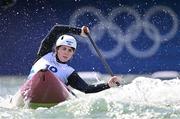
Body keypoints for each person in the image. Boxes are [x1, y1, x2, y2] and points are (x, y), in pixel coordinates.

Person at [11, 24, 121, 107]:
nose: (66, 52)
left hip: (54, 98)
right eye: (63, 48)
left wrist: (108, 85)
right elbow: (56, 29)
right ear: (57, 49)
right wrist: (79, 31)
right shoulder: (44, 54)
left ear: (73, 54)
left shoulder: (69, 72)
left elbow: (87, 89)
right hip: (27, 91)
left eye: (70, 50)